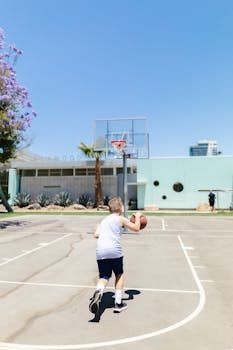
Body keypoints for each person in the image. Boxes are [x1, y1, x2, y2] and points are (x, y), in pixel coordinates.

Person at [89, 196, 142, 314]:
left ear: (109, 209)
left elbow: (96, 235)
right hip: (114, 251)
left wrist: (98, 228)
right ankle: (118, 304)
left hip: (101, 251)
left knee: (104, 276)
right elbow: (137, 228)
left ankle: (99, 291)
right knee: (119, 274)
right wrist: (138, 216)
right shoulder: (120, 219)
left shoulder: (104, 221)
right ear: (121, 208)